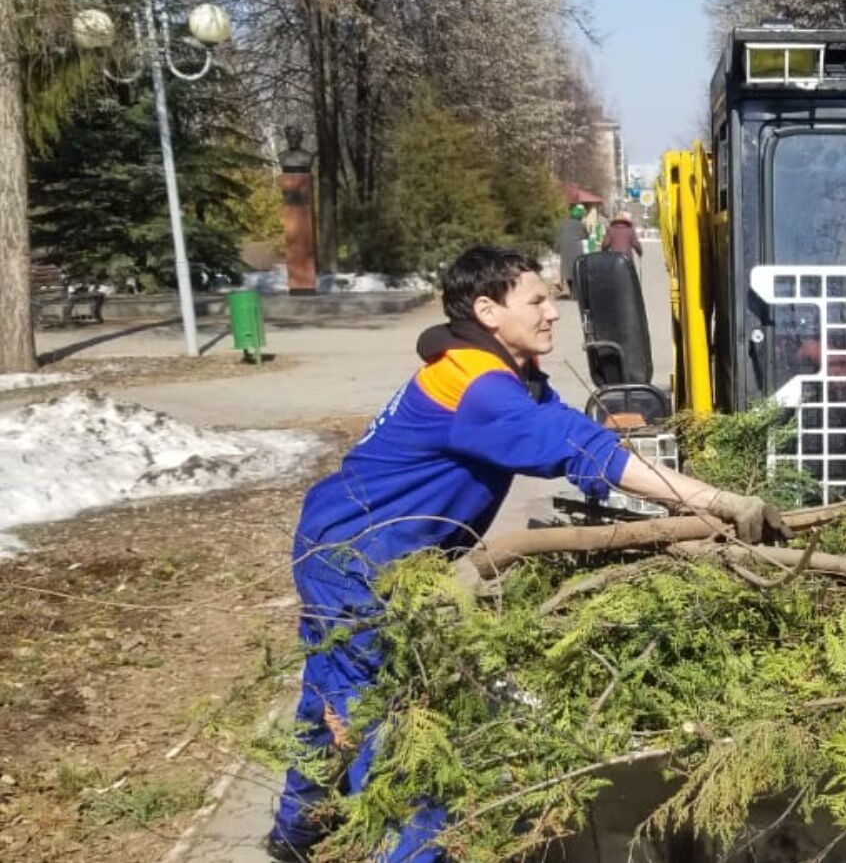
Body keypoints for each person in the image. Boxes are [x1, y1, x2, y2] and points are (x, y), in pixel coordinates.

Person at [266, 246, 787, 862]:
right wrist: (718, 500)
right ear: (488, 310)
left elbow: (582, 439)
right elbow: (582, 452)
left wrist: (679, 505)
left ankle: (295, 834)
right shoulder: (476, 384)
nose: (553, 313)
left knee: (331, 688)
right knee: (398, 728)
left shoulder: (510, 376)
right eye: (536, 300)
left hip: (362, 542)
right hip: (355, 558)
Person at [556, 204, 587, 297]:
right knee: (576, 269)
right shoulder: (580, 225)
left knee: (567, 270)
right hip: (576, 248)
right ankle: (575, 293)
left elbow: (558, 236)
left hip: (564, 248)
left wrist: (557, 248)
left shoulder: (563, 223)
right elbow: (585, 236)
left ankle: (571, 292)